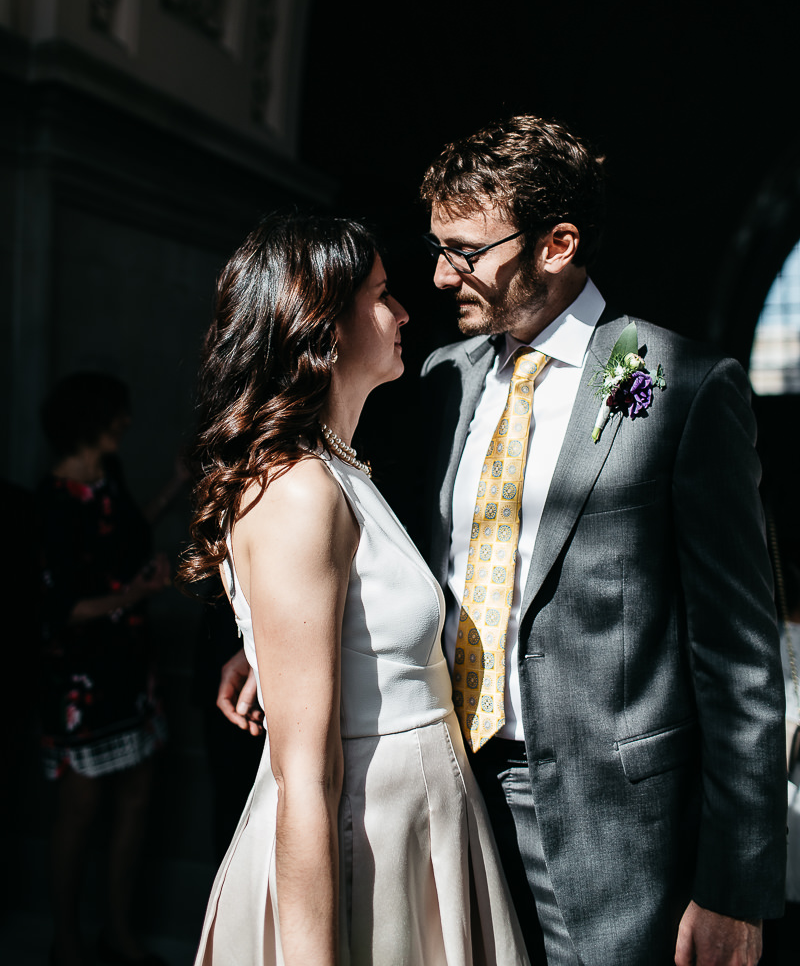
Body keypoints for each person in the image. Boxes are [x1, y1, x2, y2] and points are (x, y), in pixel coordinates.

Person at [415, 114, 787, 966]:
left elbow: (739, 656)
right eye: (438, 246)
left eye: (465, 250)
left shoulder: (673, 383)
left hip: (614, 836)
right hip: (447, 793)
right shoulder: (438, 383)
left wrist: (735, 884)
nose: (441, 274)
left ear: (557, 244)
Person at [179, 214, 529, 966]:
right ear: (322, 325)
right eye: (380, 295)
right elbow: (305, 774)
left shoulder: (340, 467)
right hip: (361, 841)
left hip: (417, 819)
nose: (404, 312)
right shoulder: (299, 488)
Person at [37, 372, 172, 966]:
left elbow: (131, 536)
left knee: (137, 798)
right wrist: (133, 595)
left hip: (129, 669)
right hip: (81, 681)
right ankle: (66, 939)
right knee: (79, 811)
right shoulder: (52, 502)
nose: (127, 420)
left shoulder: (108, 480)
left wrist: (174, 487)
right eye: (118, 413)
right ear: (95, 420)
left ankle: (117, 933)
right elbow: (61, 609)